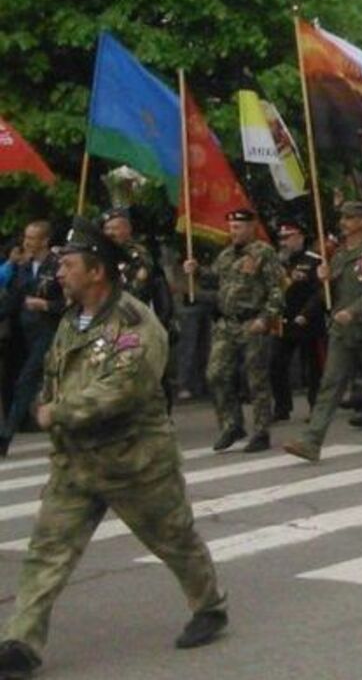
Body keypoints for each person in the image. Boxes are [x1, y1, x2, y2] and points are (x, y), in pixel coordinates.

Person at [0, 218, 226, 679]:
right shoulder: (71, 319)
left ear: (97, 271)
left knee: (175, 541)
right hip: (76, 464)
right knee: (47, 550)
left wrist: (57, 412)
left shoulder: (134, 323)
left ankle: (209, 605)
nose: (60, 272)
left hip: (134, 463)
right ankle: (22, 642)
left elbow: (123, 388)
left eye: (69, 265)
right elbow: (57, 373)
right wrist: (48, 406)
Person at [284, 201, 362, 462]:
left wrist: (354, 311)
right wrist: (324, 277)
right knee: (331, 383)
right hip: (342, 330)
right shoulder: (338, 255)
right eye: (343, 218)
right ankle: (312, 441)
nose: (344, 223)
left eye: (349, 218)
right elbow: (331, 290)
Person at [183, 210, 284, 453]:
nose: (233, 231)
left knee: (255, 378)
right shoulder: (226, 254)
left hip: (252, 321)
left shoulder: (264, 253)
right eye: (231, 227)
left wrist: (266, 318)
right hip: (227, 324)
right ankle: (231, 424)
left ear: (251, 227)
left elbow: (277, 289)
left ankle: (261, 431)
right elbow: (214, 279)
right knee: (216, 373)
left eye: (238, 227)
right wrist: (196, 271)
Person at [0, 222, 64, 457]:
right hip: (24, 335)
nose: (26, 243)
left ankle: (5, 436)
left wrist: (46, 305)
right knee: (23, 382)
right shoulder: (23, 268)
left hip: (50, 333)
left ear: (44, 241)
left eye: (32, 238)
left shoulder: (58, 266)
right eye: (25, 237)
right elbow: (12, 301)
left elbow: (70, 302)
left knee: (26, 381)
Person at [271, 219, 324, 421]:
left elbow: (319, 292)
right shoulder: (277, 262)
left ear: (300, 237)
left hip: (308, 321)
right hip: (283, 319)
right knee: (276, 363)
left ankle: (315, 407)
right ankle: (282, 407)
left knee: (311, 368)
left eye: (288, 237)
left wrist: (306, 314)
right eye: (281, 238)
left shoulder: (314, 261)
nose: (284, 242)